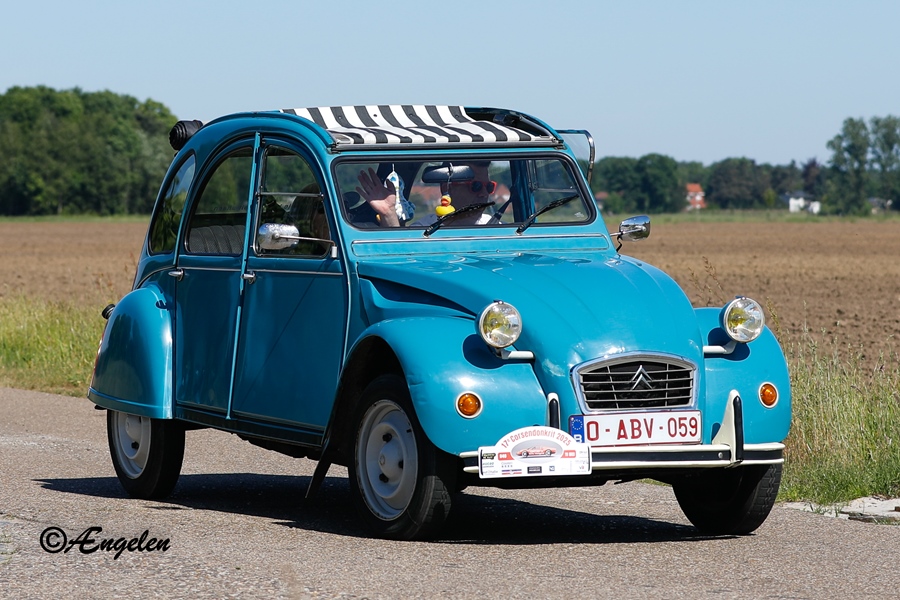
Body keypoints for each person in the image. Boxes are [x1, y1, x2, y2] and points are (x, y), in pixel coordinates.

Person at [356, 162, 496, 227]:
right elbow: (402, 255)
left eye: (489, 187)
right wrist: (388, 213)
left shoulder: (498, 226)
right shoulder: (425, 228)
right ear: (447, 187)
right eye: (476, 186)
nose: (484, 194)